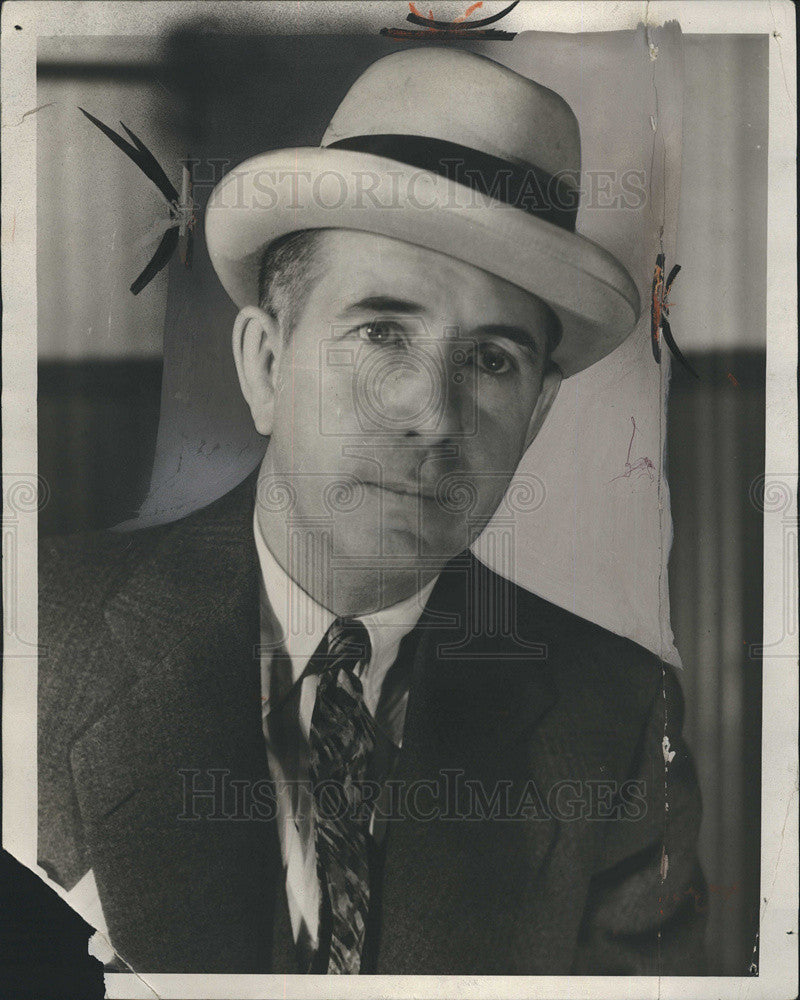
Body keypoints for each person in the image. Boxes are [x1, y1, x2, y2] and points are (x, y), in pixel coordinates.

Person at [38, 47, 706, 975]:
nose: (431, 415)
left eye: (494, 360)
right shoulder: (37, 640)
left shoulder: (617, 725)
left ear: (538, 415)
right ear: (268, 366)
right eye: (380, 332)